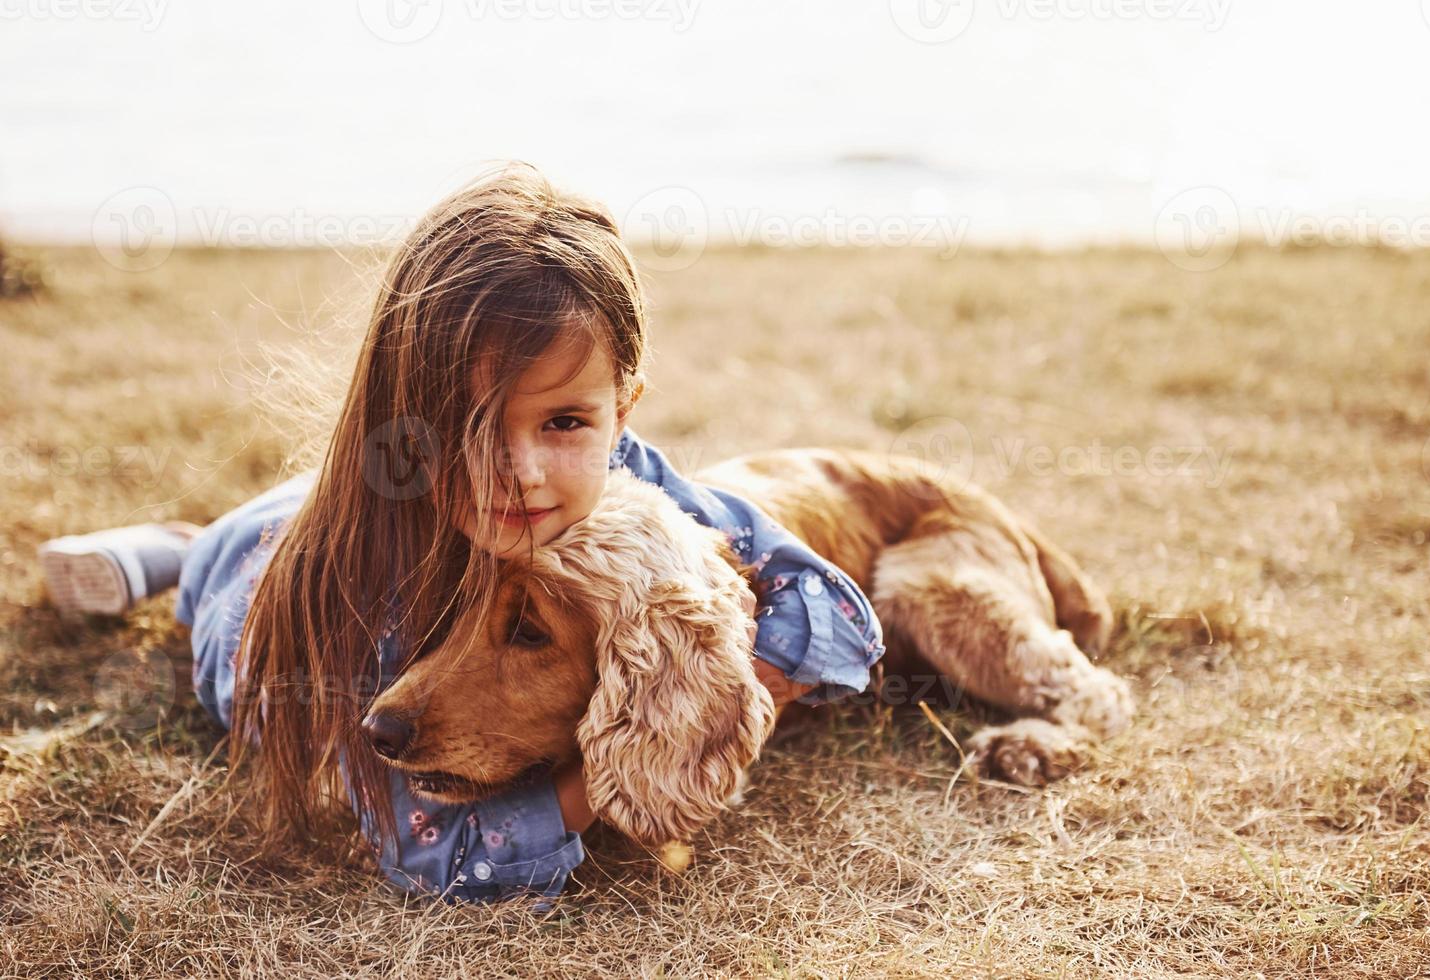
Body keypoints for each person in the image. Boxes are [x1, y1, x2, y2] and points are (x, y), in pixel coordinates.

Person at [36, 162, 886, 909]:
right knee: (220, 559)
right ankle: (175, 549)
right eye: (470, 426)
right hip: (249, 573)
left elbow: (839, 616)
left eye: (562, 421)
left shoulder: (628, 479)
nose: (519, 472)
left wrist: (673, 710)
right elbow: (437, 857)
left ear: (620, 410)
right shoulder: (357, 593)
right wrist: (611, 771)